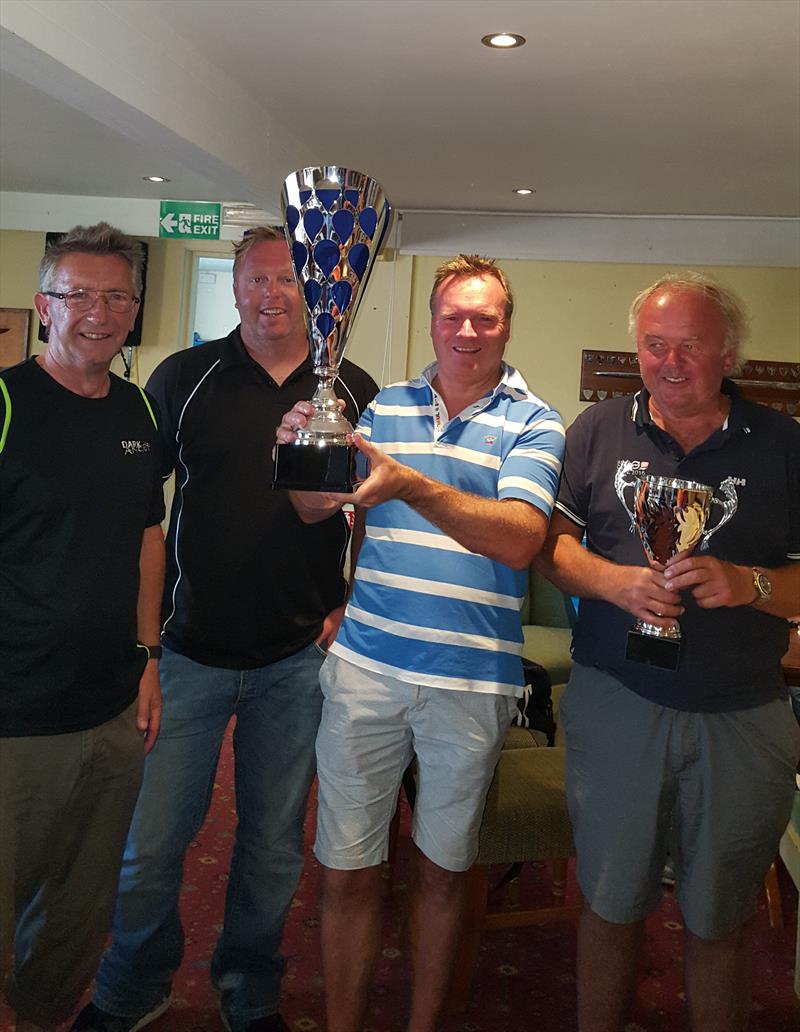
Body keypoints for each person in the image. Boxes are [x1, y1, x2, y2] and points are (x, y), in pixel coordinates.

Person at [75, 227, 378, 1032]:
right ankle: (133, 986)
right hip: (186, 654)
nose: (271, 294)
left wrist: (351, 596)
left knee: (274, 847)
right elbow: (141, 509)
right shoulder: (184, 376)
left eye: (288, 280)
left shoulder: (351, 387)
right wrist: (133, 636)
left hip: (298, 659)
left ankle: (250, 987)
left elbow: (370, 514)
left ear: (315, 296)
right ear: (236, 289)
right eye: (256, 280)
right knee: (150, 847)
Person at [277, 254, 566, 1032]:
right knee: (346, 870)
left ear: (507, 324)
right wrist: (299, 452)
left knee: (444, 873)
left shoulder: (535, 421)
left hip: (469, 682)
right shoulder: (381, 407)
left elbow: (518, 539)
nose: (467, 330)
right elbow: (318, 511)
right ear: (434, 321)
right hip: (367, 667)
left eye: (486, 317)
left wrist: (411, 485)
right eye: (453, 315)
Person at [534, 272, 800, 1032]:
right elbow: (550, 547)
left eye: (690, 345)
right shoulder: (595, 431)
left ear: (729, 355)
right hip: (617, 700)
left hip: (743, 713)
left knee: (721, 915)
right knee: (610, 901)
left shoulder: (784, 445)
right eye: (655, 344)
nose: (669, 361)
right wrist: (614, 583)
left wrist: (748, 582)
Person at [0, 223, 165, 1032]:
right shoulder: (2, 405)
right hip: (13, 719)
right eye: (79, 295)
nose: (99, 313)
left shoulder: (137, 409)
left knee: (80, 909)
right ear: (43, 306)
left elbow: (146, 538)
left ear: (134, 310)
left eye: (117, 297)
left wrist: (148, 657)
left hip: (109, 712)